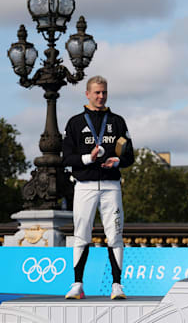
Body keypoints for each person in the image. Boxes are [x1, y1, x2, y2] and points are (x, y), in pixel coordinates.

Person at [62, 75, 134, 299]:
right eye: (97, 92)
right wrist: (88, 158)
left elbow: (130, 155)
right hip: (84, 185)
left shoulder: (117, 121)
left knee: (115, 234)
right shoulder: (75, 122)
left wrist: (118, 161)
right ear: (87, 94)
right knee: (81, 234)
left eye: (104, 92)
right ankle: (77, 284)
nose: (101, 96)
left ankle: (116, 285)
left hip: (111, 185)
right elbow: (66, 158)